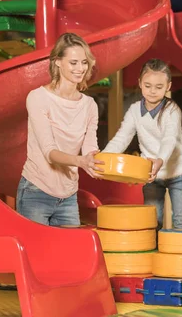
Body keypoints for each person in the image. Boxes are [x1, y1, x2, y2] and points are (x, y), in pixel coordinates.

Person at [17, 33, 104, 227]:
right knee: (37, 255)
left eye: (83, 62)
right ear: (57, 62)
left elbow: (91, 148)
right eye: (73, 63)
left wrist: (118, 171)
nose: (80, 68)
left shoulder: (89, 105)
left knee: (70, 255)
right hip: (36, 191)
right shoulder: (38, 98)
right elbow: (49, 152)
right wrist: (81, 161)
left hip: (68, 195)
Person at [103, 59, 182, 229]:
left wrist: (160, 160)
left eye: (159, 87)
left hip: (178, 172)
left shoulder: (172, 110)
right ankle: (154, 254)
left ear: (168, 86)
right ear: (139, 83)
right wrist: (105, 157)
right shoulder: (134, 110)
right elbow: (122, 137)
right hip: (151, 174)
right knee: (153, 222)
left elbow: (169, 138)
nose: (152, 91)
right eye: (148, 86)